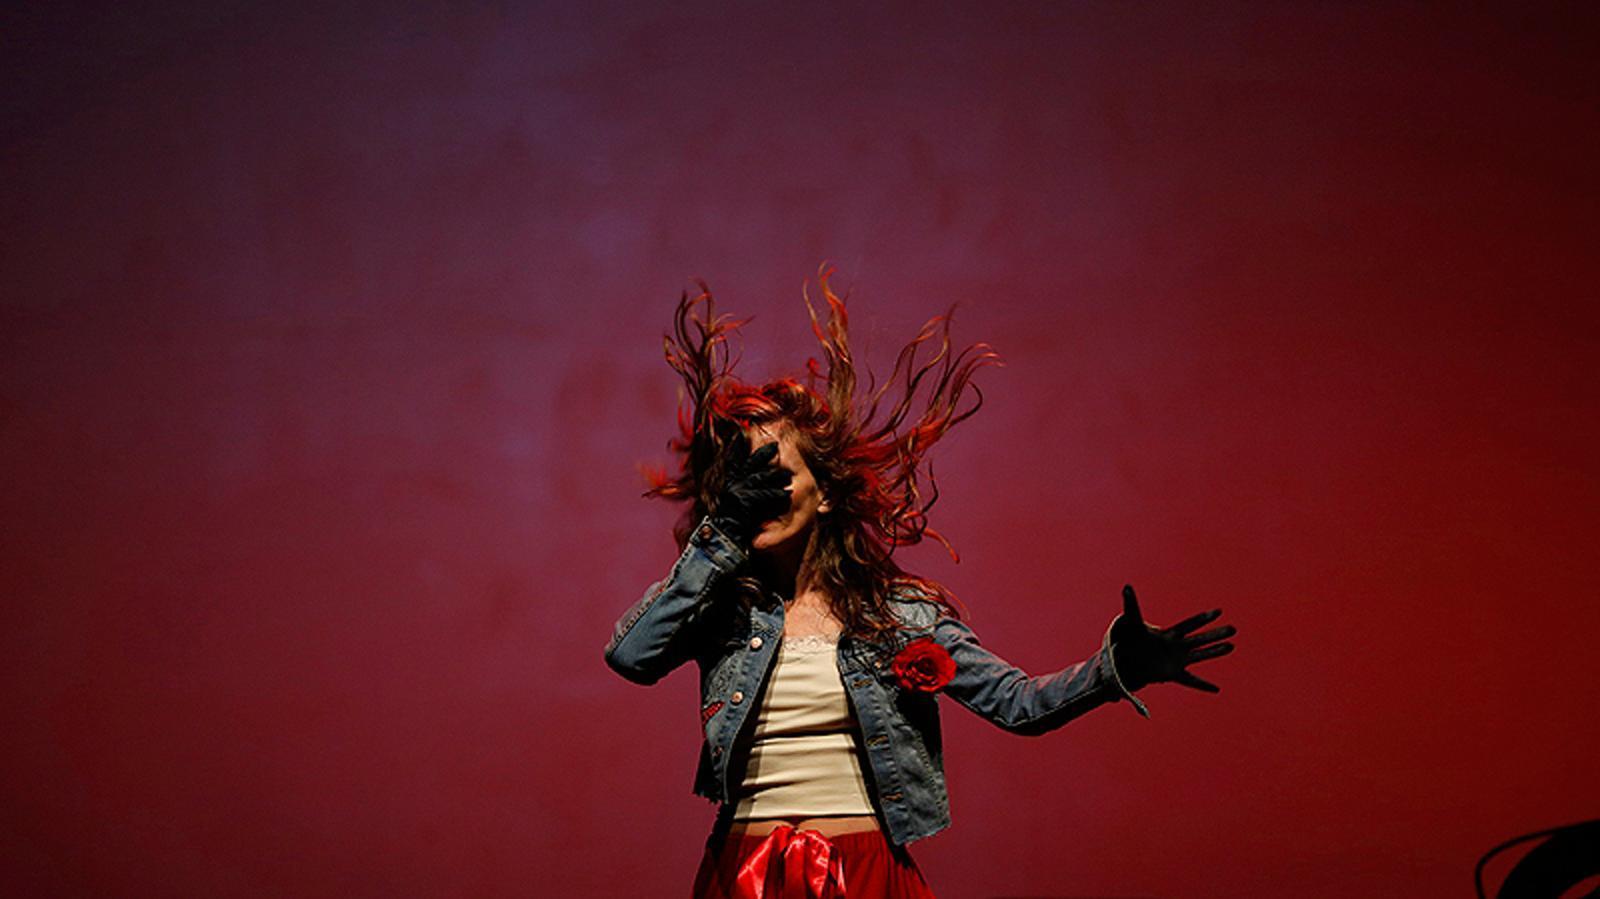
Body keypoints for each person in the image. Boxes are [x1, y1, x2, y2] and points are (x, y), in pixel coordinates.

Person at [603, 268, 1238, 898]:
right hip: (745, 873)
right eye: (744, 480)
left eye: (775, 475)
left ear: (824, 495)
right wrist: (721, 532)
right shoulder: (720, 608)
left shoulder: (897, 614)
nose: (758, 496)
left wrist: (1115, 668)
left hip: (863, 874)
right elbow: (631, 656)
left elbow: (1018, 704)